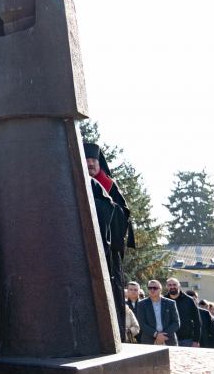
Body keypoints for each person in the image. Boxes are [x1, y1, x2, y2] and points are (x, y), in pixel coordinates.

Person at [84, 144, 135, 342]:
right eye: (86, 161)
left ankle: (116, 336)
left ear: (99, 163)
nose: (90, 164)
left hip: (109, 253)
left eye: (93, 161)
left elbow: (123, 213)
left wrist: (102, 209)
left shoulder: (109, 185)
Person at [137, 279, 180, 346]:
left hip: (169, 341)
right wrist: (156, 334)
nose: (152, 290)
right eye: (150, 288)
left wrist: (162, 337)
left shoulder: (170, 303)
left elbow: (176, 323)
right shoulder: (142, 304)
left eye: (155, 288)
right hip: (149, 341)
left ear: (160, 290)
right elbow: (142, 323)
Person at [164, 278, 201, 347]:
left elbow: (197, 321)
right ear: (167, 287)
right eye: (170, 285)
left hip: (188, 339)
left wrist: (196, 340)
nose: (172, 287)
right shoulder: (163, 301)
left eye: (174, 285)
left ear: (179, 286)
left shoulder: (189, 300)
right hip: (169, 338)